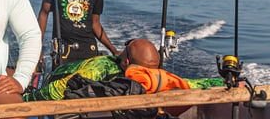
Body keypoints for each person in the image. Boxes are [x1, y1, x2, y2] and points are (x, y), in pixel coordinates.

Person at [23, 38, 192, 102]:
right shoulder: (101, 68)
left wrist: (218, 81)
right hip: (47, 81)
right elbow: (57, 90)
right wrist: (217, 80)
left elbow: (57, 89)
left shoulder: (102, 67)